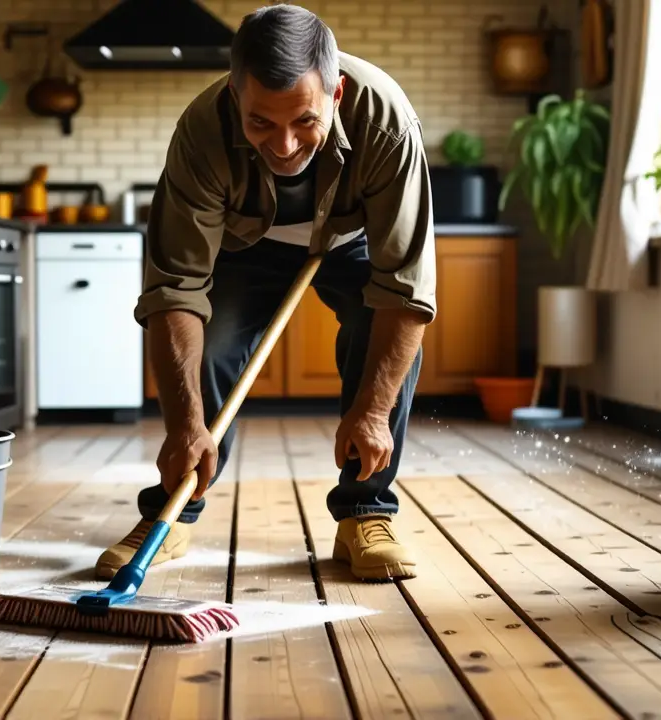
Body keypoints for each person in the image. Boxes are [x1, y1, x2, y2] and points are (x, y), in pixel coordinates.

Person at [96, 3, 436, 582]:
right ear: (235, 98)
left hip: (352, 239)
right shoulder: (202, 131)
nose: (282, 146)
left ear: (337, 93)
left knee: (370, 328)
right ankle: (174, 510)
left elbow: (405, 288)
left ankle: (365, 511)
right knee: (215, 338)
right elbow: (175, 290)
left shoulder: (386, 121)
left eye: (304, 120)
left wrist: (372, 412)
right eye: (260, 123)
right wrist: (184, 426)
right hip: (245, 244)